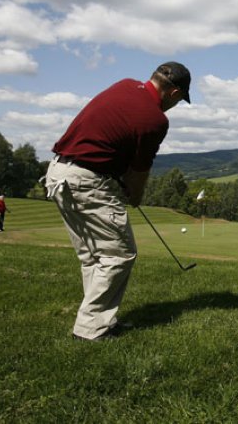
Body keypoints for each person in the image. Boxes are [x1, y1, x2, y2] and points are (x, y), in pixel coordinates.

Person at [44, 62, 191, 341]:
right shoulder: (156, 119)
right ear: (173, 93)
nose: (175, 106)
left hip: (59, 173)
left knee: (93, 257)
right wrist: (134, 196)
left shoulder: (124, 84)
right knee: (118, 255)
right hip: (86, 181)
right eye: (179, 100)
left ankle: (99, 322)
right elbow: (139, 171)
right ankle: (90, 329)